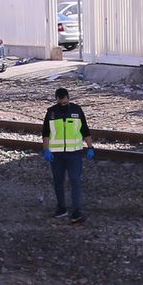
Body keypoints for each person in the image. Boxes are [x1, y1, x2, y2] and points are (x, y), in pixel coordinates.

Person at [42, 86, 93, 224]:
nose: (63, 104)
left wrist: (90, 147)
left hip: (74, 154)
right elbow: (46, 133)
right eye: (60, 102)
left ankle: (76, 210)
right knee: (58, 182)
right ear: (57, 99)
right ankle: (61, 208)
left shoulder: (77, 110)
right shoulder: (51, 113)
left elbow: (85, 130)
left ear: (68, 98)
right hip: (56, 155)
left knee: (75, 181)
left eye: (65, 102)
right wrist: (46, 149)